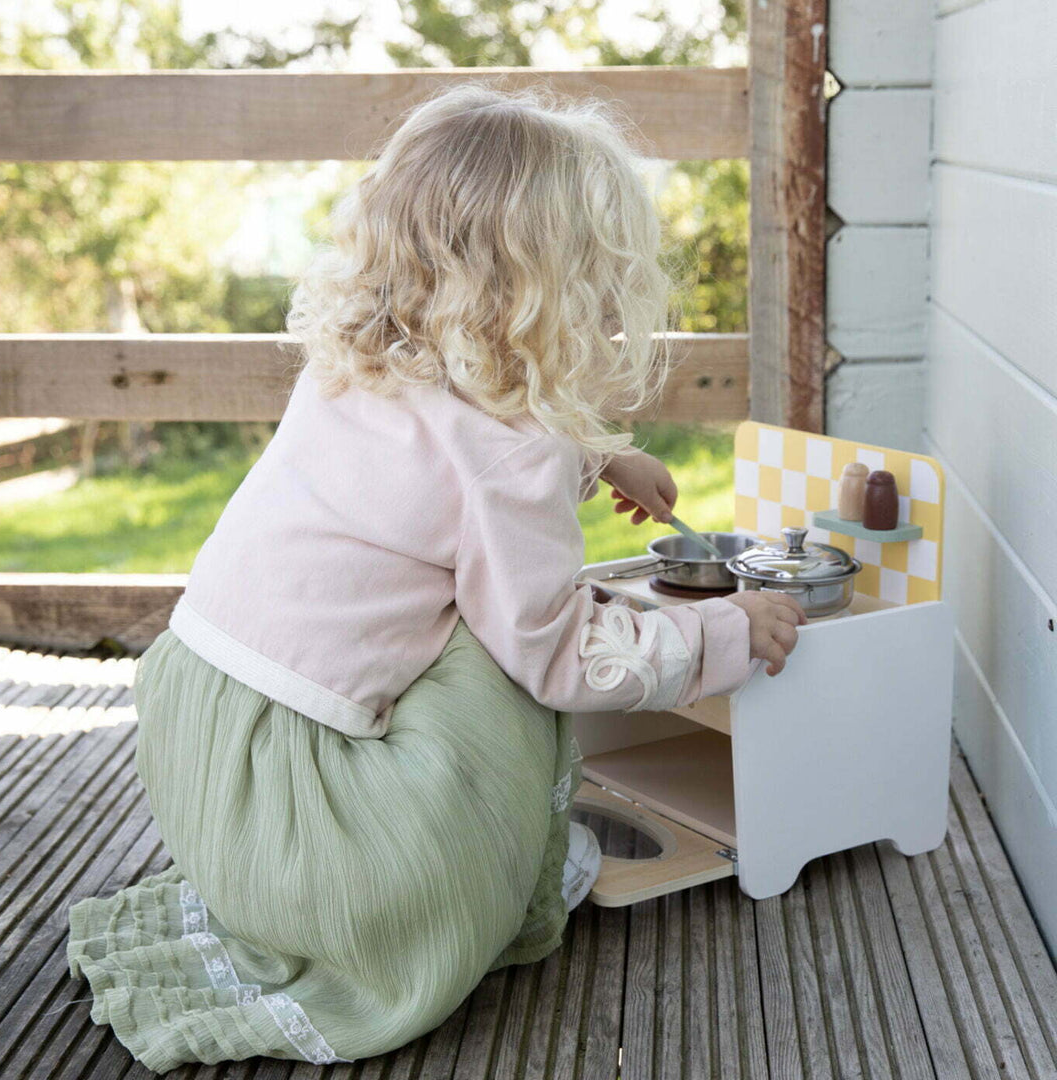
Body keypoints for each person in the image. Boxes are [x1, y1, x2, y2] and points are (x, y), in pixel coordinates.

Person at [65, 80, 806, 1073]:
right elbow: (556, 654)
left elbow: (435, 464)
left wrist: (596, 456)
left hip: (208, 752)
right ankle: (470, 882)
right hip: (327, 833)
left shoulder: (357, 360)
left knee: (472, 606)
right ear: (558, 285)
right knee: (493, 653)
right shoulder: (513, 453)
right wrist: (728, 633)